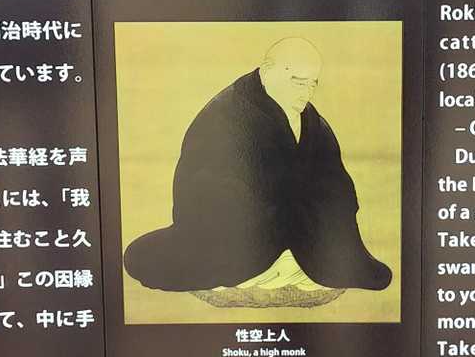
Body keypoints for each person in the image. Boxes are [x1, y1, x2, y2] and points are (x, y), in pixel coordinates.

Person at [123, 37, 393, 293]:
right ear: (267, 71)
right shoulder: (225, 113)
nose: (306, 92)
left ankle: (301, 257)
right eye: (298, 82)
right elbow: (205, 188)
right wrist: (282, 207)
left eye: (312, 84)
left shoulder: (311, 120)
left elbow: (334, 178)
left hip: (295, 224)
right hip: (241, 230)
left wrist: (330, 203)